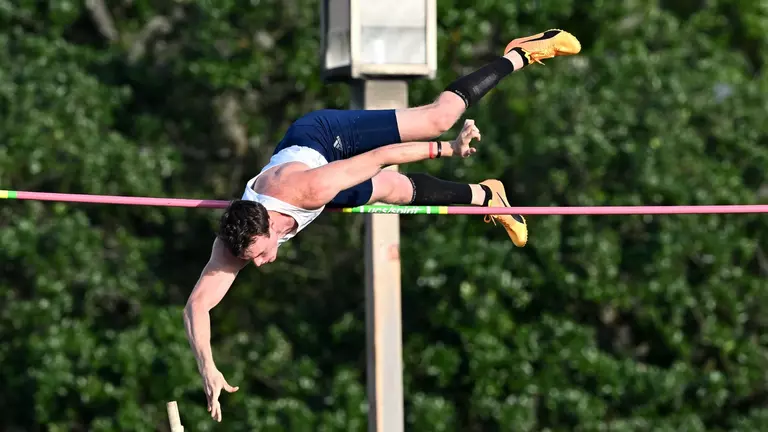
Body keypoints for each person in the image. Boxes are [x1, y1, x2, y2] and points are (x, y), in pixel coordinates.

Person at [183, 29, 581, 422]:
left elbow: (382, 156)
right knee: (391, 189)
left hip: (325, 139)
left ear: (271, 224)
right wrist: (208, 368)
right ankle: (486, 196)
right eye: (251, 257)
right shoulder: (235, 241)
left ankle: (519, 53)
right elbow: (197, 306)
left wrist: (448, 148)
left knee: (438, 119)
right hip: (316, 180)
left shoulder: (312, 188)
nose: (258, 263)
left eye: (260, 252)